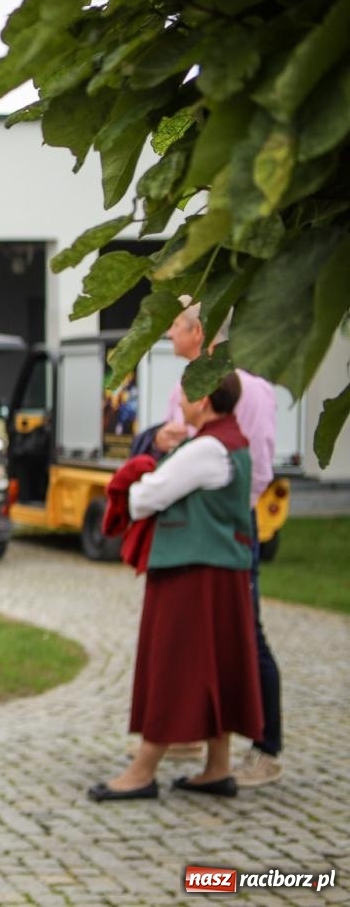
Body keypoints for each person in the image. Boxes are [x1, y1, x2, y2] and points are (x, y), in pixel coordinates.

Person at [90, 372, 263, 801]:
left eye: (184, 394)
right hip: (219, 572)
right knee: (215, 665)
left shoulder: (206, 448)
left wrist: (144, 472)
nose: (179, 402)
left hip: (192, 573)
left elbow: (143, 499)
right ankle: (217, 767)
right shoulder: (232, 441)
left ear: (203, 400)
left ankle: (142, 771)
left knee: (173, 665)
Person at [153, 303, 282, 787]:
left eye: (175, 323)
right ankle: (194, 734)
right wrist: (163, 441)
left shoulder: (253, 390)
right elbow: (175, 448)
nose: (168, 331)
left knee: (246, 633)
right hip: (186, 526)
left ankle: (267, 748)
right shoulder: (183, 386)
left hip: (228, 526)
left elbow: (258, 467)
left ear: (199, 332)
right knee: (191, 633)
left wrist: (228, 513)